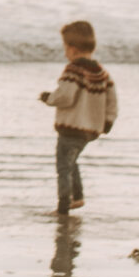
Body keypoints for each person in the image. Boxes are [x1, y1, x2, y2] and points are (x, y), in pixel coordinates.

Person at [38, 18, 118, 216]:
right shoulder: (101, 72)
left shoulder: (73, 70)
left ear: (72, 49)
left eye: (65, 47)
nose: (65, 52)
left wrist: (49, 98)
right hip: (90, 130)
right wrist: (107, 122)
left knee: (63, 166)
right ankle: (78, 196)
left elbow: (65, 96)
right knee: (72, 161)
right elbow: (112, 100)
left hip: (70, 127)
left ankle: (63, 205)